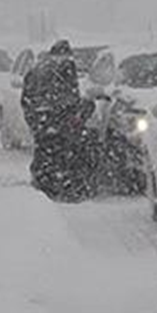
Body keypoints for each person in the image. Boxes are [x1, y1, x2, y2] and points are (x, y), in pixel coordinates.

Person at [20, 40, 97, 202]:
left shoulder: (36, 69)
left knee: (44, 151)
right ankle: (71, 187)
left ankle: (44, 183)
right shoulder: (66, 66)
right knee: (70, 152)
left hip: (41, 120)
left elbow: (25, 98)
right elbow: (71, 97)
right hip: (60, 120)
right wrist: (74, 115)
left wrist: (33, 118)